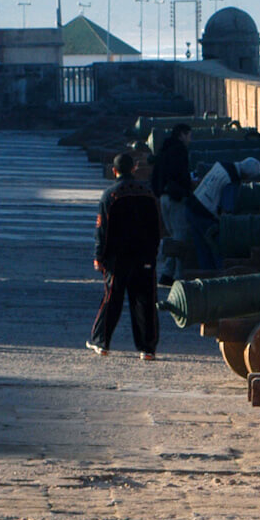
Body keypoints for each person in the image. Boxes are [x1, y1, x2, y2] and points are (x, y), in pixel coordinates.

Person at [89, 151, 164, 360]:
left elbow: (102, 229)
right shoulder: (148, 194)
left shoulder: (110, 195)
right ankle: (147, 349)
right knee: (145, 303)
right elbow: (157, 227)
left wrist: (99, 257)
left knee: (112, 300)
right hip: (144, 256)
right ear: (134, 169)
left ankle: (102, 343)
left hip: (117, 258)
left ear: (114, 171)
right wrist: (153, 253)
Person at [151, 124, 194, 285]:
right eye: (189, 136)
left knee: (172, 235)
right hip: (176, 198)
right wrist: (187, 192)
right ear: (182, 135)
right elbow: (182, 175)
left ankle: (167, 273)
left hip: (163, 196)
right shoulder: (180, 150)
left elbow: (155, 174)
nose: (190, 140)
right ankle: (177, 274)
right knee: (180, 236)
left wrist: (158, 191)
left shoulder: (164, 149)